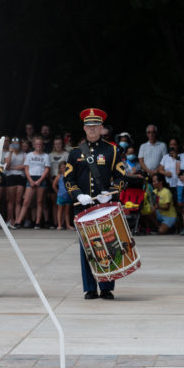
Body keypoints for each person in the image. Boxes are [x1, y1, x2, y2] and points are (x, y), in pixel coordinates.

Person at [65, 108, 126, 300]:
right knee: (86, 248)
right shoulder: (75, 153)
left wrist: (111, 192)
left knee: (108, 245)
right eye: (89, 127)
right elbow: (68, 178)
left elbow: (121, 176)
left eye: (96, 126)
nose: (92, 130)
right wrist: (77, 195)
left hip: (104, 206)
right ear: (84, 129)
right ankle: (90, 288)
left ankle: (106, 287)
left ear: (102, 128)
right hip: (83, 206)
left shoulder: (112, 150)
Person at [15, 136, 50, 229]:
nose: (38, 145)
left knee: (39, 201)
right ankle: (18, 222)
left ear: (42, 145)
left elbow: (47, 169)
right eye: (37, 144)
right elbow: (26, 168)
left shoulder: (46, 156)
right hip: (31, 177)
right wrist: (30, 180)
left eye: (40, 144)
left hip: (41, 178)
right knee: (26, 201)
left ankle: (37, 222)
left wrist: (39, 181)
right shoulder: (29, 155)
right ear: (34, 145)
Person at [4, 137, 26, 229]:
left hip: (20, 177)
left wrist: (14, 168)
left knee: (18, 200)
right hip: (11, 177)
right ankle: (10, 219)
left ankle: (17, 220)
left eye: (17, 143)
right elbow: (7, 166)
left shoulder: (24, 154)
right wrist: (11, 152)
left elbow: (23, 167)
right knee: (11, 201)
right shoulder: (7, 154)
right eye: (13, 143)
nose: (15, 145)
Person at [52, 161, 73, 230]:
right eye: (62, 168)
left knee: (67, 212)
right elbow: (54, 185)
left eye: (64, 167)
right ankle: (59, 225)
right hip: (61, 195)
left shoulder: (69, 176)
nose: (63, 169)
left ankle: (67, 225)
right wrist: (57, 192)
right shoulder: (59, 176)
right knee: (60, 210)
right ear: (59, 169)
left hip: (68, 195)